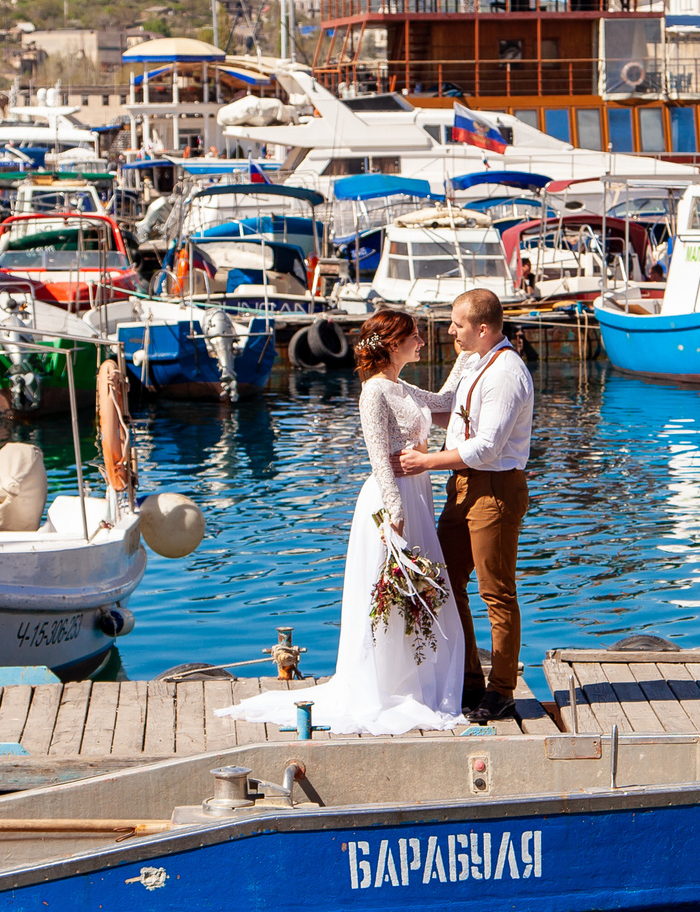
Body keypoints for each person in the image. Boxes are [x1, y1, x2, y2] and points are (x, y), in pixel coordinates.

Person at [218, 310, 463, 734]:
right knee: (390, 593)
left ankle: (414, 681)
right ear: (392, 343)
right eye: (414, 336)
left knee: (419, 594)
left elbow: (443, 404)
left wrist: (469, 356)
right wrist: (395, 513)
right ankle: (385, 685)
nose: (422, 340)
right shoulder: (374, 394)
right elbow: (377, 457)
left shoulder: (400, 386)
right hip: (394, 500)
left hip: (417, 495)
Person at [396, 288, 534, 722]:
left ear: (484, 328)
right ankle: (470, 678)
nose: (451, 331)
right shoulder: (473, 361)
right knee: (445, 579)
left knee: (496, 591)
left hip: (494, 488)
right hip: (462, 486)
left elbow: (488, 447)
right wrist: (389, 386)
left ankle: (502, 688)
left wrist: (426, 462)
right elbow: (446, 411)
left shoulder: (506, 374)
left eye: (458, 324)